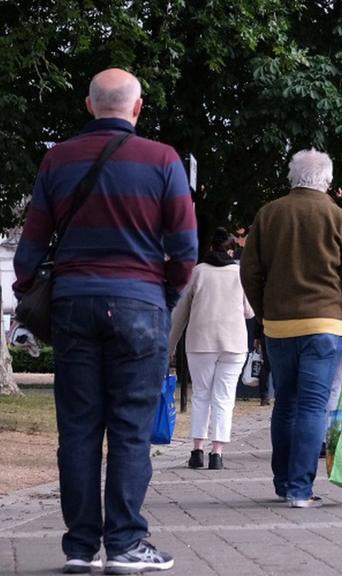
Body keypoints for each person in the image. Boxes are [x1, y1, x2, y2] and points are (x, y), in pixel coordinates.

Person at [13, 68, 197, 573]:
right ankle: (125, 544)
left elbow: (29, 249)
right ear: (136, 109)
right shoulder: (163, 160)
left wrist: (30, 292)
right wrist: (164, 294)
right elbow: (185, 248)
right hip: (139, 302)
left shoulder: (58, 159)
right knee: (131, 429)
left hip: (73, 302)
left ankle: (78, 548)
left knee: (77, 429)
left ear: (90, 106)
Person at [240, 149, 342, 508]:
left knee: (286, 405)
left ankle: (282, 482)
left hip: (279, 325)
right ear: (326, 180)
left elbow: (249, 271)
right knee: (313, 407)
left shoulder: (268, 214)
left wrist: (265, 313)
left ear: (292, 177)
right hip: (326, 324)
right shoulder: (339, 218)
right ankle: (299, 488)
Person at [169, 228, 254, 471]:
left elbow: (180, 314)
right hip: (233, 343)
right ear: (231, 250)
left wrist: (169, 346)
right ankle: (217, 453)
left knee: (201, 395)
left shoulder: (197, 272)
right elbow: (250, 311)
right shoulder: (240, 274)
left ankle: (197, 450)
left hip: (200, 342)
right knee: (224, 398)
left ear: (209, 249)